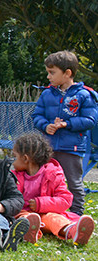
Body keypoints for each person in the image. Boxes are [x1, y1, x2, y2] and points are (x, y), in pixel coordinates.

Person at [32, 50, 98, 216]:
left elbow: (90, 120)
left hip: (72, 148)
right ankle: (46, 209)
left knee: (74, 182)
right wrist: (46, 126)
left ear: (67, 73)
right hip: (48, 147)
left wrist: (67, 124)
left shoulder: (84, 95)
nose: (48, 77)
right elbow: (36, 115)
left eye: (52, 73)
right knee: (44, 179)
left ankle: (77, 215)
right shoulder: (47, 93)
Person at [11, 133, 94, 245]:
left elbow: (65, 200)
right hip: (23, 213)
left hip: (46, 213)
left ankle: (73, 231)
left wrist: (41, 204)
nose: (12, 161)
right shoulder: (13, 176)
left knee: (54, 219)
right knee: (25, 218)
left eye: (15, 156)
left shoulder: (53, 174)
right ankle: (29, 232)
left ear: (25, 158)